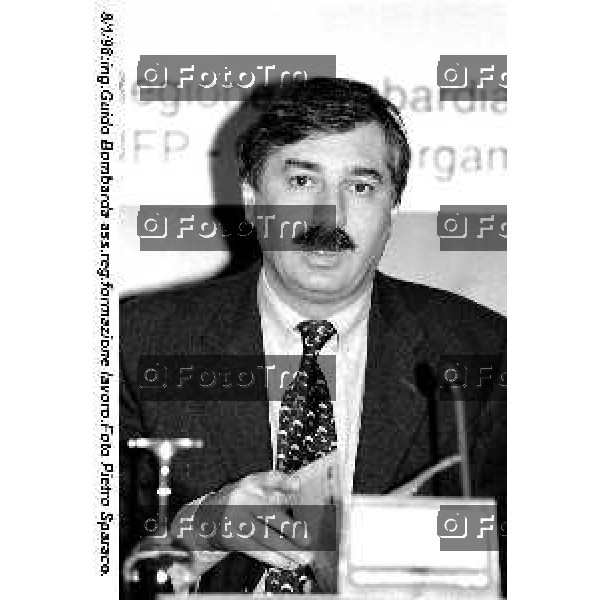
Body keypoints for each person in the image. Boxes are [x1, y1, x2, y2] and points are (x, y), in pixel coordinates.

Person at [120, 77, 507, 596]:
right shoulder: (136, 343)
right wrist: (202, 533)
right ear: (252, 199)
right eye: (302, 181)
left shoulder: (483, 349)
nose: (330, 215)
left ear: (392, 208)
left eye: (361, 187)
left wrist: (420, 551)